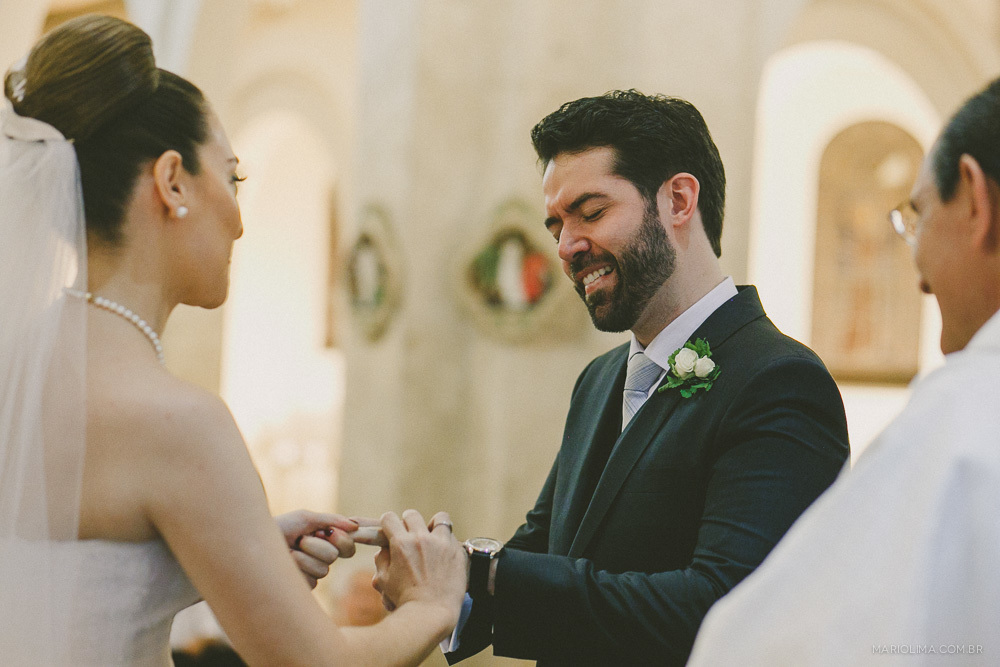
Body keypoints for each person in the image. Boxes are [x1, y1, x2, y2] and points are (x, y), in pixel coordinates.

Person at [0, 14, 466, 666]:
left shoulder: (15, 369)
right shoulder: (175, 420)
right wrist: (434, 601)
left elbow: (69, 577)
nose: (242, 221)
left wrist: (233, 550)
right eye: (234, 176)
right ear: (171, 181)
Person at [380, 90, 850, 665]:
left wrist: (484, 572)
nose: (566, 247)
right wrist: (425, 571)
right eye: (555, 225)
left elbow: (723, 607)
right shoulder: (599, 381)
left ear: (678, 199)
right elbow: (545, 549)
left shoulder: (779, 381)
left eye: (592, 212)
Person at [687, 77, 1000, 666]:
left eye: (919, 217)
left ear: (977, 202)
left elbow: (761, 648)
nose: (917, 274)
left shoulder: (968, 416)